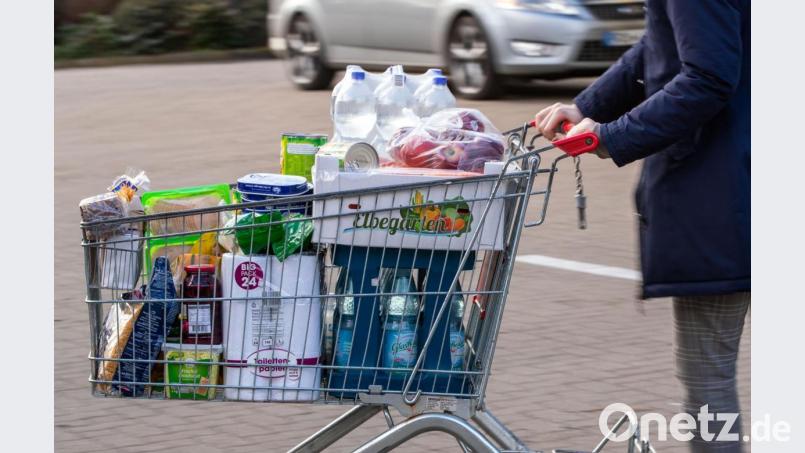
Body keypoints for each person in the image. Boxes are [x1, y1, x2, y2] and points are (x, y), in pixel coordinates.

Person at [534, 1, 750, 451]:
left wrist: (612, 136)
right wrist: (589, 105)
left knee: (708, 384)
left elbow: (706, 77)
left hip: (723, 186)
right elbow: (662, 41)